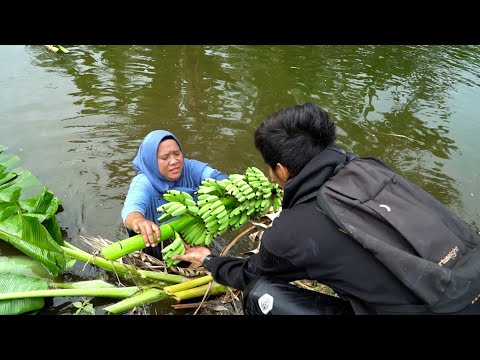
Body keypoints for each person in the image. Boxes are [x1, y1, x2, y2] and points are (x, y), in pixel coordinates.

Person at [173, 102, 480, 315]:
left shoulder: (291, 232)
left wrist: (209, 259)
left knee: (261, 294)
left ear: (280, 169)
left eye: (269, 169)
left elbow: (249, 273)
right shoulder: (370, 168)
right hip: (469, 278)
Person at [121, 130, 228, 260]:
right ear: (151, 161)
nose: (174, 161)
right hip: (160, 243)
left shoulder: (189, 168)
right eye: (165, 158)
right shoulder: (143, 183)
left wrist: (233, 185)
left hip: (193, 234)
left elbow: (216, 177)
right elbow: (131, 211)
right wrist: (140, 221)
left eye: (177, 154)